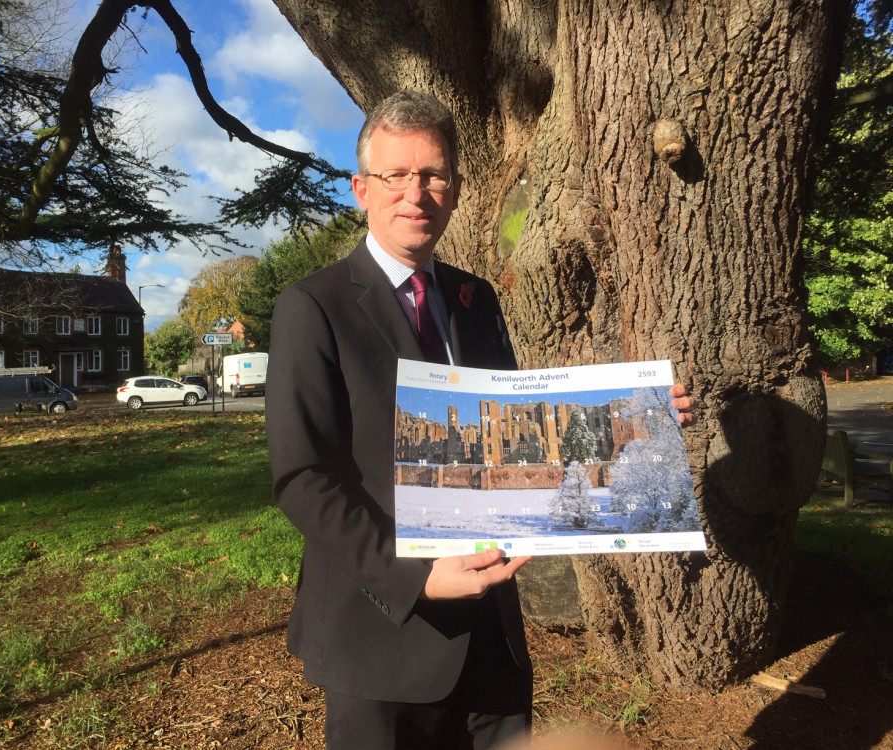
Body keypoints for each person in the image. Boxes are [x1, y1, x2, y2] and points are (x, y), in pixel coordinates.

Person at [266, 90, 695, 750]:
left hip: (493, 636)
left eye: (434, 174)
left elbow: (516, 437)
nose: (416, 193)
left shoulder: (476, 298)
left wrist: (635, 424)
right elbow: (303, 478)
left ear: (458, 187)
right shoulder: (312, 306)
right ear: (361, 188)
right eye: (396, 176)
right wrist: (414, 577)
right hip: (380, 637)